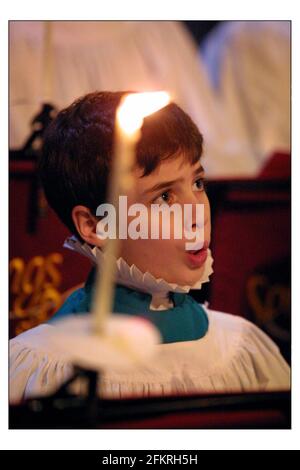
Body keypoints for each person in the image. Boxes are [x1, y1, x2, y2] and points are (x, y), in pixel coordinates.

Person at [9, 91, 290, 403]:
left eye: (198, 183)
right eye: (165, 198)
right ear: (95, 225)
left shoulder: (240, 346)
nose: (197, 215)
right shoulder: (37, 367)